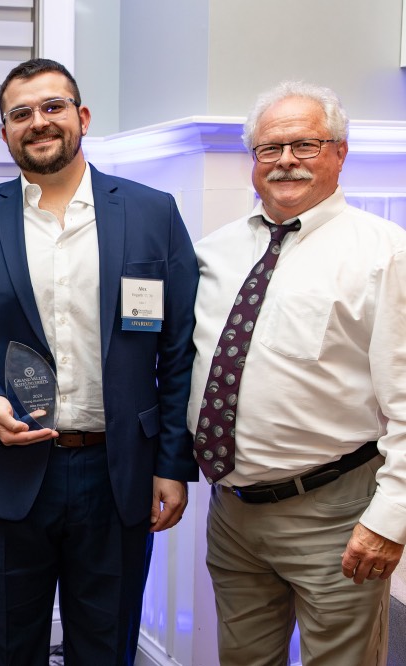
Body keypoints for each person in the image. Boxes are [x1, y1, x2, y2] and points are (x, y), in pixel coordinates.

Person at [0, 58, 199, 665]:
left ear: (82, 117)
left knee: (106, 649)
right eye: (20, 113)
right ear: (4, 133)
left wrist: (172, 464)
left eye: (52, 106)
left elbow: (178, 348)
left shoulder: (153, 213)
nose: (38, 122)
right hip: (2, 472)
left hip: (116, 474)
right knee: (2, 649)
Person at [188, 81, 406, 665]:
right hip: (232, 513)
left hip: (335, 515)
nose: (285, 160)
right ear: (252, 162)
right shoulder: (214, 252)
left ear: (340, 152)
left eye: (305, 145)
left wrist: (390, 520)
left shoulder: (385, 254)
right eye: (269, 148)